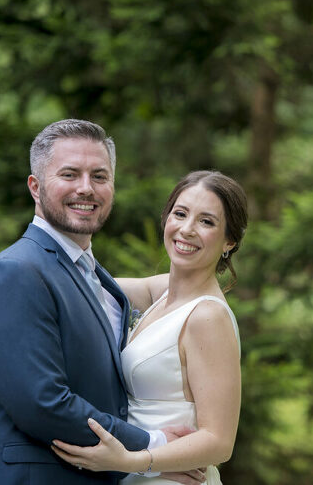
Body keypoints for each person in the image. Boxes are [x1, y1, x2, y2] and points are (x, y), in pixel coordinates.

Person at [0, 119, 202, 485]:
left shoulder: (100, 280)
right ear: (35, 186)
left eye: (100, 177)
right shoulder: (15, 272)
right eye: (70, 174)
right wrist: (150, 449)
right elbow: (43, 403)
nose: (86, 189)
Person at [50, 170, 246, 485]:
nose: (187, 229)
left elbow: (219, 441)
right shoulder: (163, 293)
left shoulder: (207, 317)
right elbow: (83, 283)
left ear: (229, 241)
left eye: (206, 222)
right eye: (180, 214)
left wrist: (136, 460)